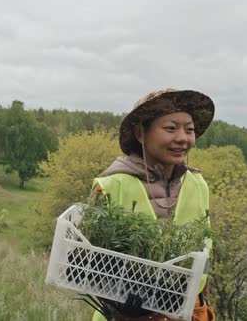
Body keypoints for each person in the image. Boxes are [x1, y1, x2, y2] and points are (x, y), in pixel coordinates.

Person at [89, 89, 216, 321]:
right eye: (170, 128)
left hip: (186, 313)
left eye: (189, 130)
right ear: (141, 133)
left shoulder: (198, 184)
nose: (182, 138)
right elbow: (90, 263)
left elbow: (205, 248)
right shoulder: (110, 185)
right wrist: (120, 303)